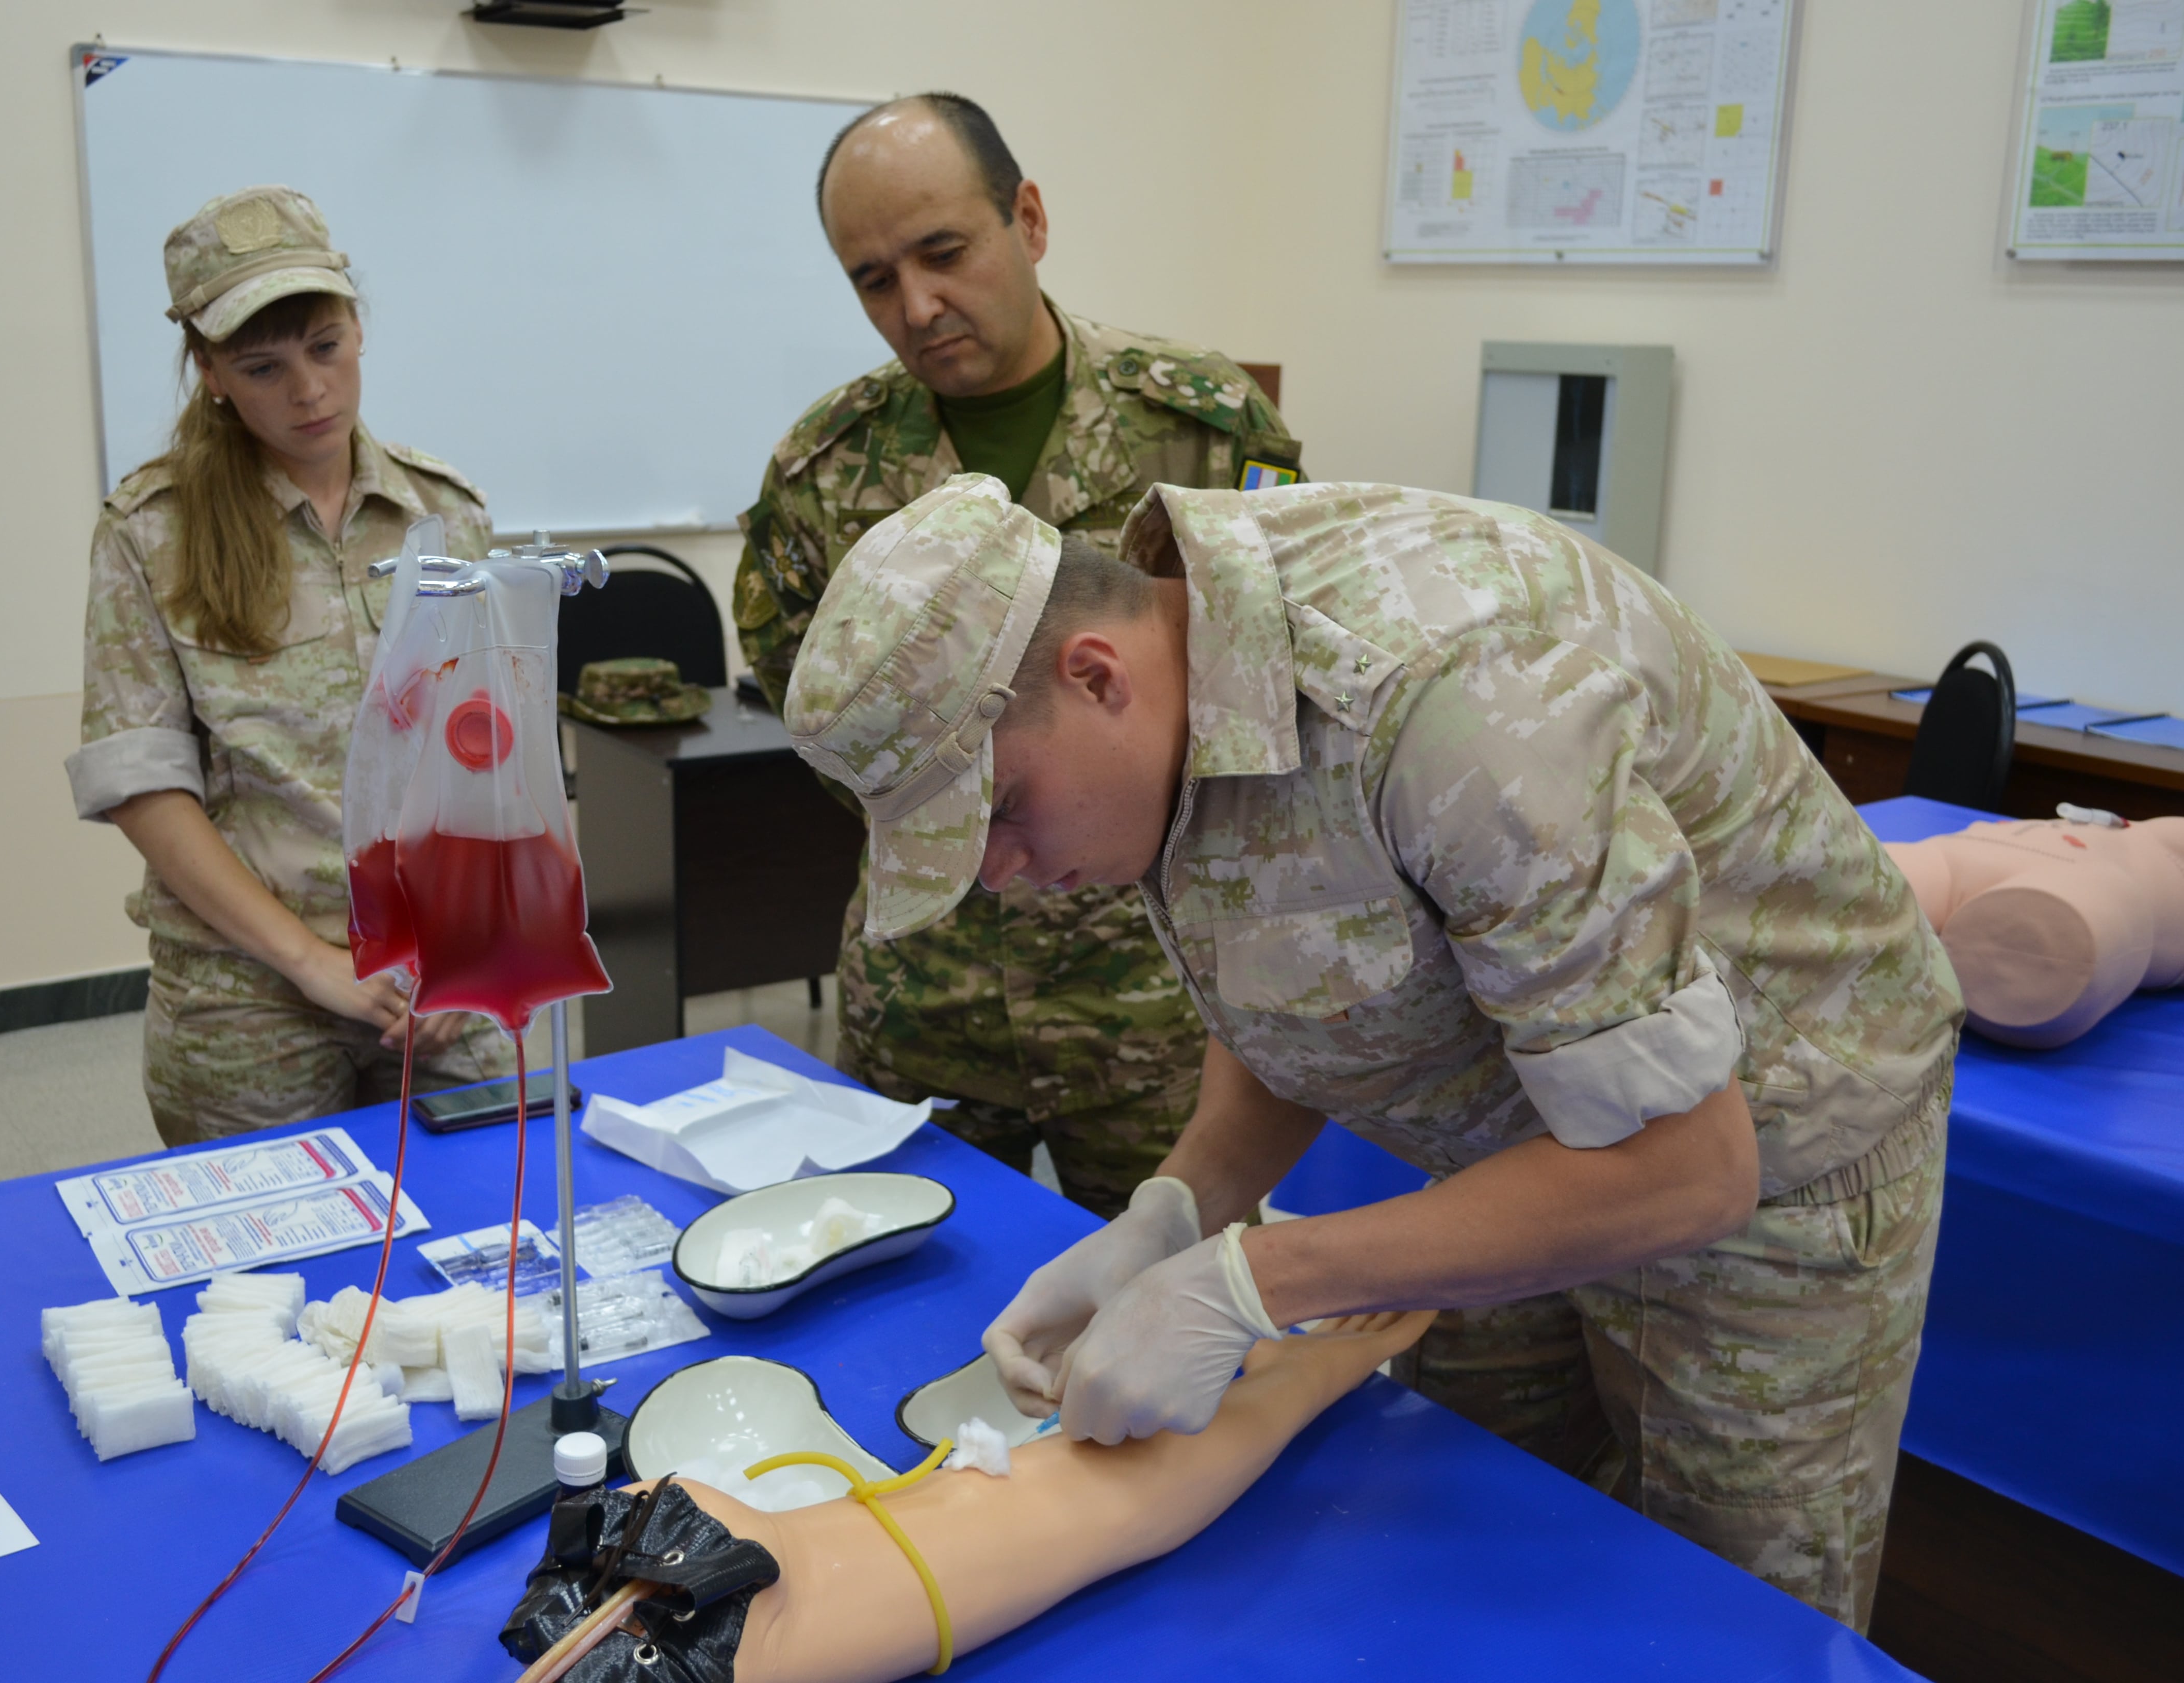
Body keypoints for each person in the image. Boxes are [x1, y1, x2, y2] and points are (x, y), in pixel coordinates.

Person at [780, 475, 1962, 1630]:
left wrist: (1251, 1285)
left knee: (1719, 1619)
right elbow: (1298, 972)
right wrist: (1180, 1211)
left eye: (997, 815)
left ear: (1096, 677)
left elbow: (1686, 1170)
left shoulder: (1448, 700)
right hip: (1526, 1133)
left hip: (1779, 1143)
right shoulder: (1177, 690)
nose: (1000, 876)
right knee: (1469, 1541)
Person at [735, 94, 1304, 1219]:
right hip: (928, 994)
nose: (918, 305)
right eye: (873, 279)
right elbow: (817, 716)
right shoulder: (824, 469)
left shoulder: (1206, 429)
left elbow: (1263, 685)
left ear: (1028, 220)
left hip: (1153, 992)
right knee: (916, 1318)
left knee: (1177, 1309)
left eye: (943, 253)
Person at [68, 186, 512, 1146]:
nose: (309, 392)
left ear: (358, 327)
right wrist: (311, 962)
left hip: (441, 970)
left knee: (483, 1254)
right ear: (210, 372)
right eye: (262, 367)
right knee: (278, 1284)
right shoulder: (153, 533)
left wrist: (467, 943)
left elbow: (482, 754)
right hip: (250, 991)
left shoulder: (448, 515)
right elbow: (143, 787)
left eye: (325, 348)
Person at [505, 1310, 1433, 1683]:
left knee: (1089, 1494)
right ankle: (1308, 1372)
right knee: (1096, 1502)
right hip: (752, 1605)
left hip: (708, 1577)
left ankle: (1302, 1371)